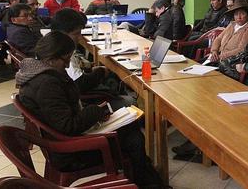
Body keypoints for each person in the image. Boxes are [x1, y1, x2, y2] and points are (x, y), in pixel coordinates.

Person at [16, 31, 161, 187]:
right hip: (71, 152)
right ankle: (147, 183)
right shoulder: (47, 84)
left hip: (62, 139)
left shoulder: (36, 72)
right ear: (51, 58)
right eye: (65, 60)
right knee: (133, 137)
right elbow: (68, 125)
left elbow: (63, 113)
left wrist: (94, 112)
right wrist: (96, 111)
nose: (66, 65)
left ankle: (145, 179)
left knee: (130, 127)